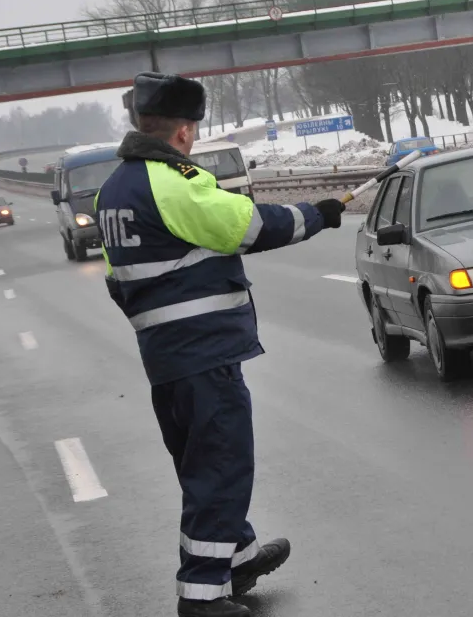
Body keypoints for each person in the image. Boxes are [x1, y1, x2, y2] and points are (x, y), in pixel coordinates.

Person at [95, 72, 347, 617]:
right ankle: (202, 595)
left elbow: (118, 280)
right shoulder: (172, 181)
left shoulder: (112, 189)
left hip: (166, 359)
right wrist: (317, 216)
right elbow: (247, 226)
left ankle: (238, 557)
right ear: (183, 133)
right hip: (203, 355)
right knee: (222, 465)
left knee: (202, 464)